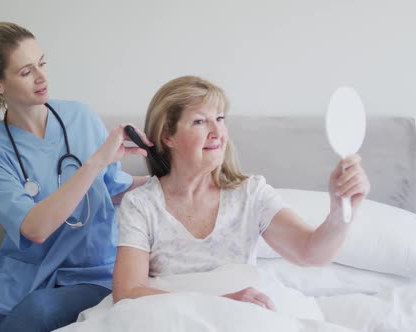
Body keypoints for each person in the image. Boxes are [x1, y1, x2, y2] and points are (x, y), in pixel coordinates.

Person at [112, 75, 370, 310]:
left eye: (220, 119)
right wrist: (217, 304)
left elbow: (310, 253)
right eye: (200, 121)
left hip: (242, 318)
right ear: (168, 136)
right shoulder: (141, 204)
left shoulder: (250, 194)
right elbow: (127, 293)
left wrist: (341, 210)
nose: (217, 132)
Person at [0, 22, 150, 332]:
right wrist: (95, 162)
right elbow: (35, 229)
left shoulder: (81, 117)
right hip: (24, 276)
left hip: (92, 271)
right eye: (26, 72)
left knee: (38, 310)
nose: (41, 77)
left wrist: (176, 180)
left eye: (43, 63)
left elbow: (115, 188)